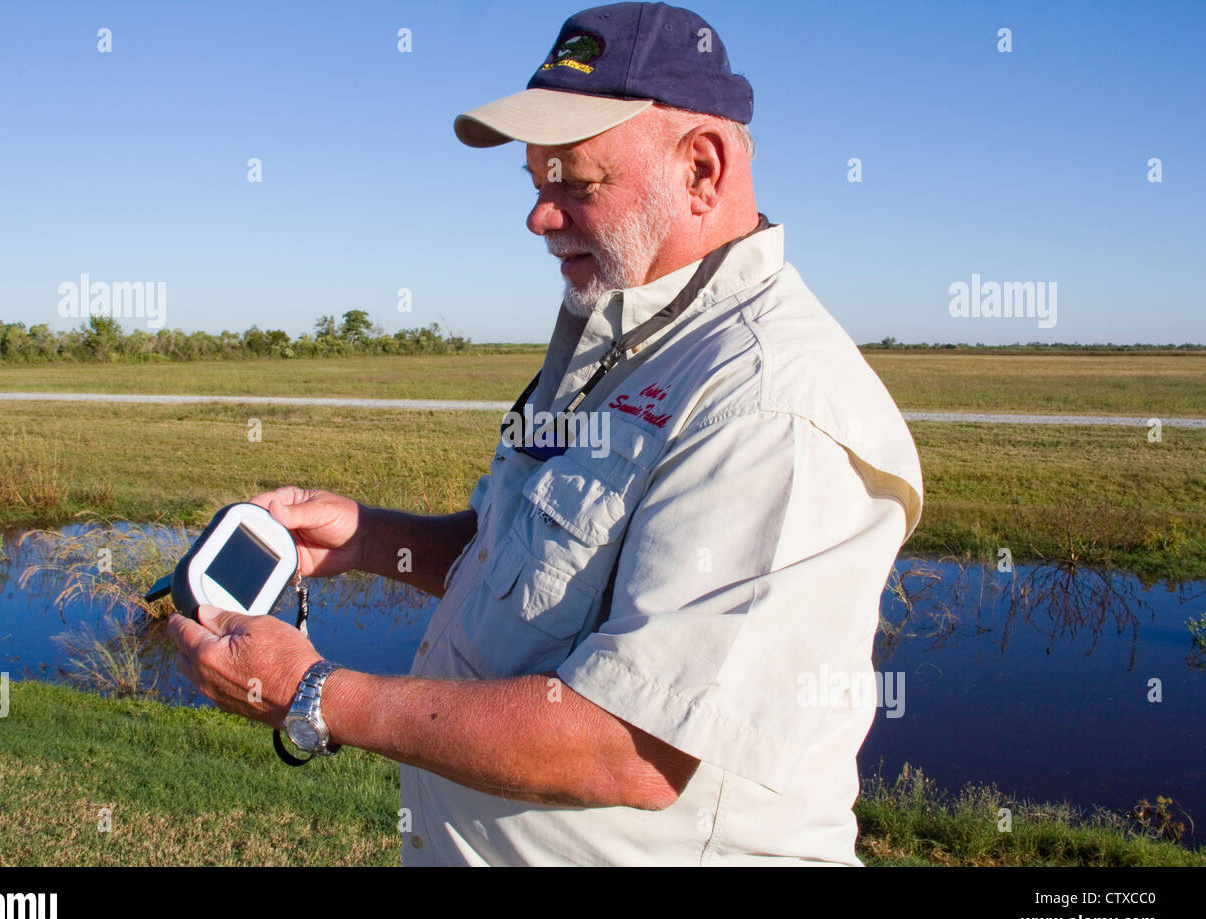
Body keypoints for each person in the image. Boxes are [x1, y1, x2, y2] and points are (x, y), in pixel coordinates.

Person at [169, 1, 923, 866]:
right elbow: (517, 568)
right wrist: (370, 540)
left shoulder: (768, 404)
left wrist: (317, 693)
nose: (539, 217)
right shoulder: (624, 336)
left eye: (576, 182)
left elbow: (632, 747)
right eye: (536, 184)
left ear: (702, 170)